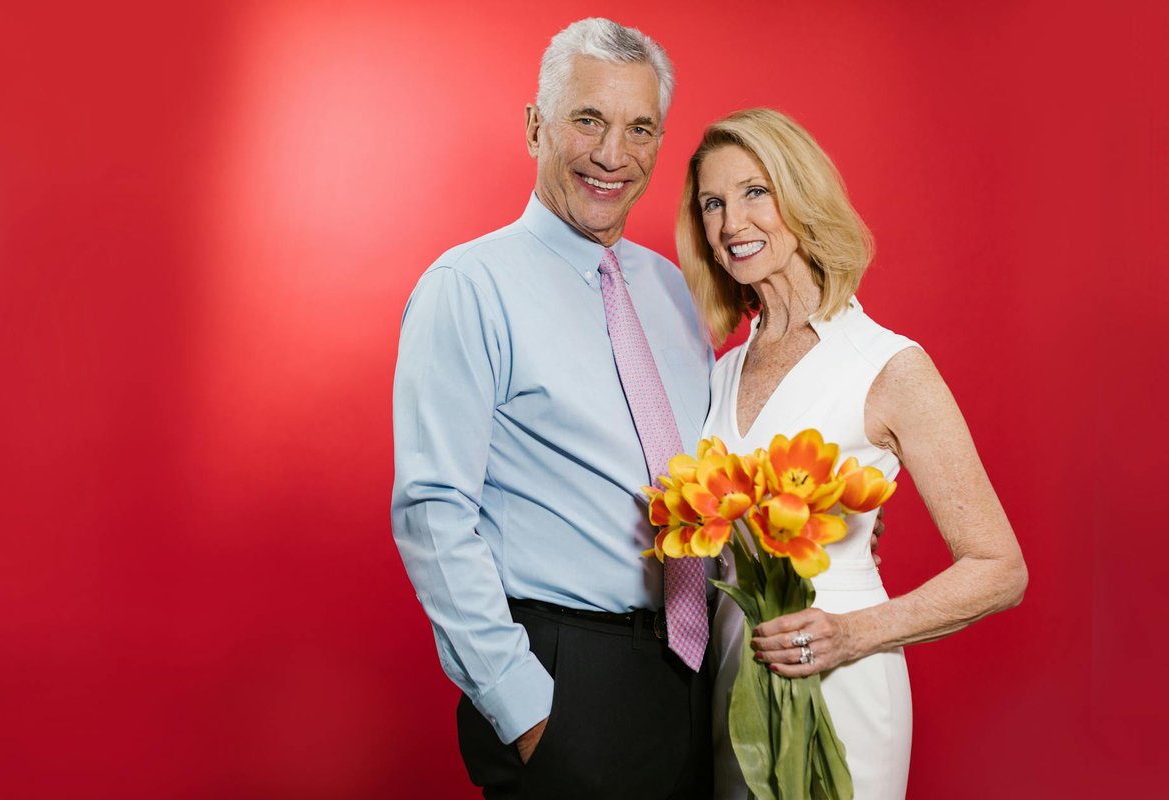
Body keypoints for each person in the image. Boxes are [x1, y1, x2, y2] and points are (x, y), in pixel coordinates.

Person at [391, 18, 713, 799]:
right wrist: (527, 710)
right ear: (536, 127)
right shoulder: (469, 288)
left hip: (694, 673)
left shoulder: (675, 292)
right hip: (566, 676)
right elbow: (434, 513)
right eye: (588, 120)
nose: (613, 155)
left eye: (639, 128)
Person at [675, 108, 1028, 800]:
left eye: (755, 192)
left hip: (843, 684)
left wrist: (851, 633)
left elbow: (1000, 568)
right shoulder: (717, 373)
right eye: (712, 203)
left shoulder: (887, 365)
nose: (732, 222)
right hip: (731, 677)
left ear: (800, 197)